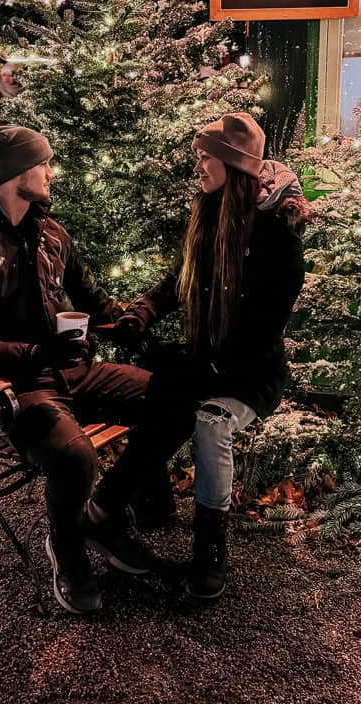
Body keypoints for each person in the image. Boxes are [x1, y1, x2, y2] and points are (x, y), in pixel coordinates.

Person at [0, 126, 194, 615]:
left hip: (73, 372)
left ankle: (101, 516)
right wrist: (39, 353)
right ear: (16, 175)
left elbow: (92, 300)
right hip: (13, 392)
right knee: (73, 455)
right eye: (42, 164)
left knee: (175, 401)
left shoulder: (51, 233)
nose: (50, 172)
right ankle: (66, 551)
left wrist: (128, 323)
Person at [112, 113, 311, 600]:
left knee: (209, 421)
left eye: (205, 159)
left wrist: (205, 367)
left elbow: (263, 329)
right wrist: (141, 313)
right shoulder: (207, 215)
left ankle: (210, 551)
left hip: (249, 373)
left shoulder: (274, 239)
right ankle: (153, 502)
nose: (198, 168)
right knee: (150, 385)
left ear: (233, 166)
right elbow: (176, 282)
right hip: (206, 360)